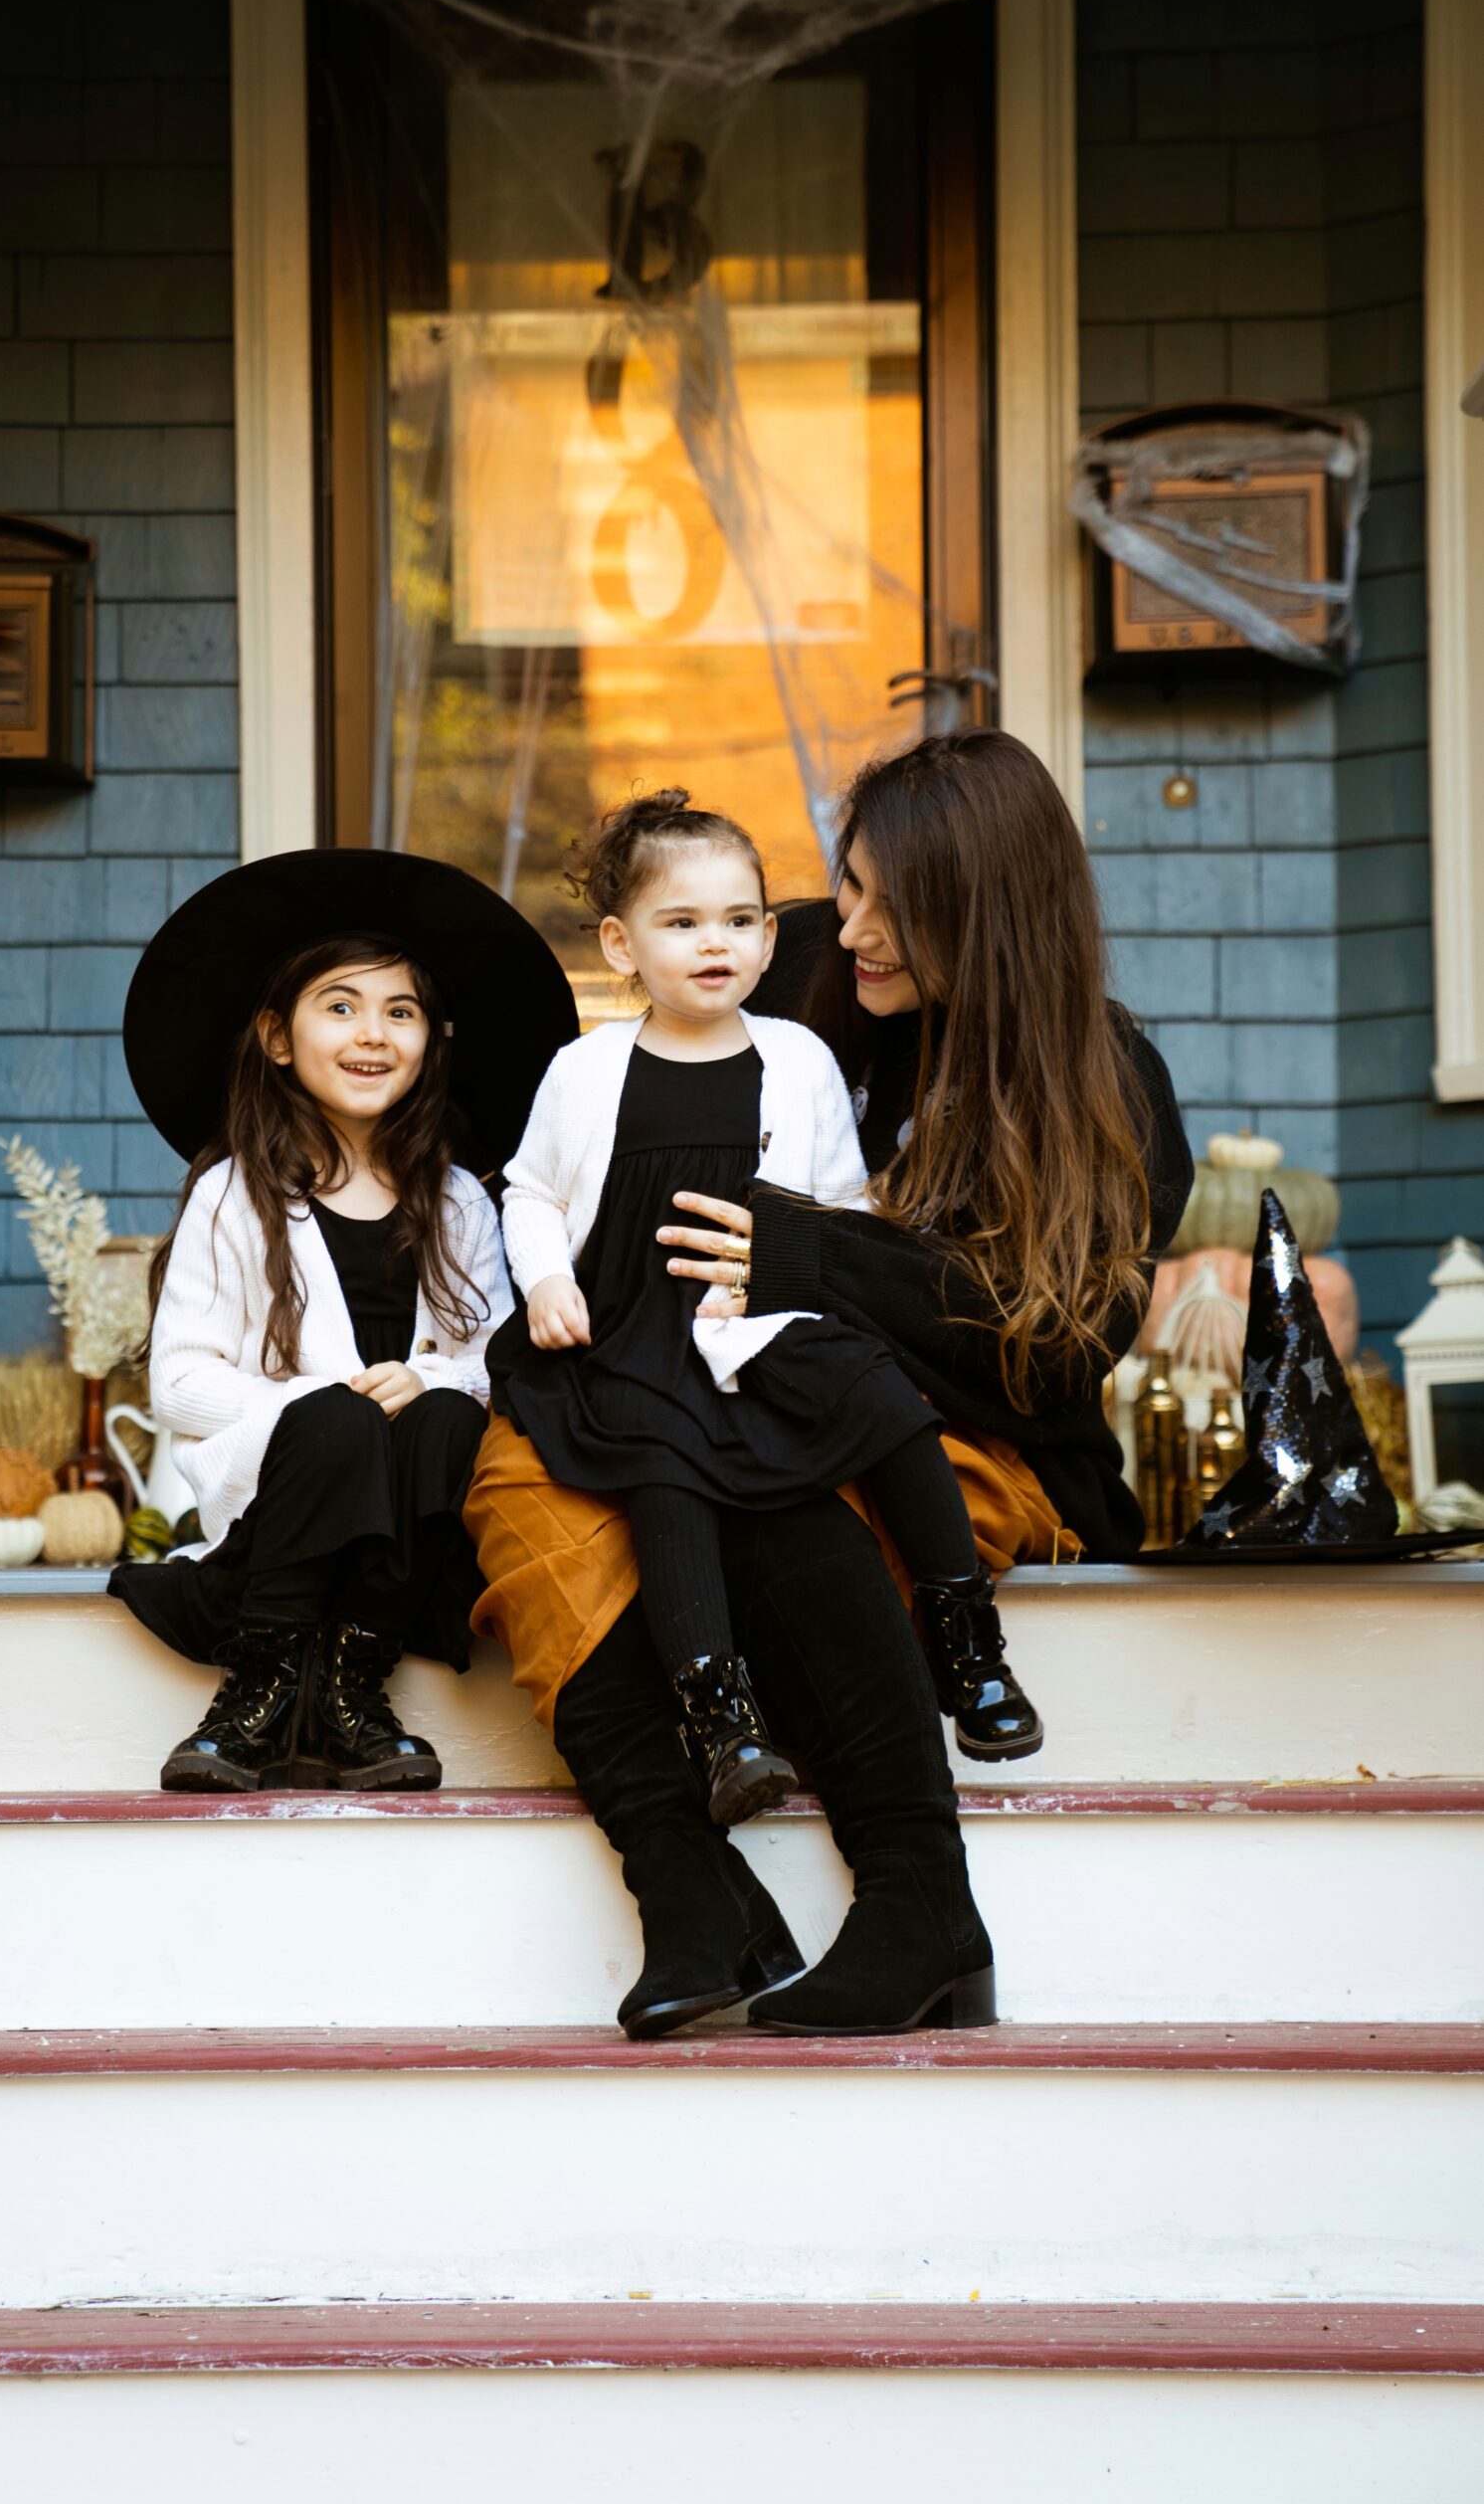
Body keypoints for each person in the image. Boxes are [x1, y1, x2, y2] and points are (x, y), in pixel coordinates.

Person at [464, 728, 1192, 2037]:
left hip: (951, 1435)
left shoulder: (1099, 1081)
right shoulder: (799, 971)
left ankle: (917, 1894)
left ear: (975, 910)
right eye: (838, 885)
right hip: (713, 1380)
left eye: (874, 902)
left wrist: (820, 1254)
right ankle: (693, 1885)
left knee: (779, 1494)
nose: (835, 925)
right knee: (525, 1477)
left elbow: (1053, 1352)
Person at [490, 789, 1019, 1841]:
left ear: (771, 938)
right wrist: (548, 1279)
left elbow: (843, 1209)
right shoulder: (587, 1070)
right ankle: (718, 1715)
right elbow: (533, 1193)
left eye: (739, 920)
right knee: (663, 1468)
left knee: (888, 1400)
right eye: (680, 923)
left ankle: (966, 1638)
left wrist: (809, 1286)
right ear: (620, 945)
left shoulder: (799, 1059)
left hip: (766, 1318)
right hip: (634, 1326)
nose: (714, 943)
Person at [108, 850, 577, 1795]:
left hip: (403, 1537)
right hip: (276, 1520)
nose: (374, 1034)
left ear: (430, 1040)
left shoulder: (457, 1202)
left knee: (449, 1412)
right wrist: (329, 1402)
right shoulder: (233, 1195)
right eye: (342, 1007)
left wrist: (432, 1379)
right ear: (279, 1039)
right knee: (339, 1418)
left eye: (399, 1012)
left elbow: (495, 1357)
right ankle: (265, 1681)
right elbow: (181, 1385)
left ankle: (355, 1681)